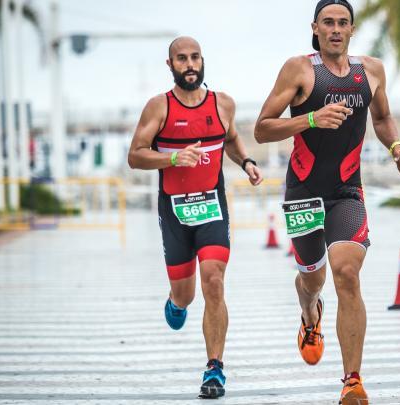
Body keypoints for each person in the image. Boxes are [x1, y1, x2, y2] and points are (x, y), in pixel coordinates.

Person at [254, 1, 400, 403]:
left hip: (346, 191)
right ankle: (310, 314)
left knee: (346, 274)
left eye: (343, 23)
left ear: (352, 30)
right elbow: (262, 129)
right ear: (316, 28)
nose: (336, 29)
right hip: (303, 191)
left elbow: (382, 117)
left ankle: (352, 380)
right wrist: (310, 119)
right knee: (313, 279)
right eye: (329, 23)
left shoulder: (371, 71)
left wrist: (395, 146)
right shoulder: (299, 69)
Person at [127, 36, 262, 399]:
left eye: (195, 58)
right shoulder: (159, 108)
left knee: (214, 279)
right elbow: (136, 155)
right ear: (170, 65)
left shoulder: (223, 104)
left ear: (203, 61)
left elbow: (231, 138)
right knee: (186, 296)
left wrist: (246, 161)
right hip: (174, 211)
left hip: (212, 207)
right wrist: (171, 159)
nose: (190, 65)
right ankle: (175, 301)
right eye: (182, 59)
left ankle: (214, 368)